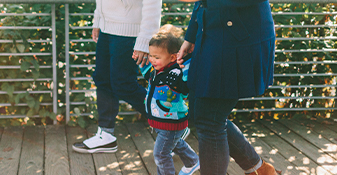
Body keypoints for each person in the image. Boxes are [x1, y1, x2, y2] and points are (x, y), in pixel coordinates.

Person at [176, 0, 277, 174]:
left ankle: (259, 168)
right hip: (209, 35)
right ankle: (259, 169)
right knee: (203, 113)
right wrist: (191, 36)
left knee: (210, 118)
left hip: (240, 39)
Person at [71, 0, 163, 153]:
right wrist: (98, 20)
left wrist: (146, 39)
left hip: (129, 33)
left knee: (124, 84)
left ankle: (170, 124)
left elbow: (153, 3)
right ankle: (105, 135)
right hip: (107, 29)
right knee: (103, 80)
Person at [139, 24, 200, 175]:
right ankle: (193, 161)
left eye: (156, 57)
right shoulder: (158, 69)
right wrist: (139, 61)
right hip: (161, 120)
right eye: (151, 55)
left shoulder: (177, 73)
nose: (152, 60)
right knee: (176, 143)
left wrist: (185, 65)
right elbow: (147, 74)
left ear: (172, 57)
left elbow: (186, 87)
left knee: (161, 154)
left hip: (171, 122)